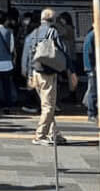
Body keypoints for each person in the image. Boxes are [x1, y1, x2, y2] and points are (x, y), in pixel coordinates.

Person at [24, 8, 76, 145]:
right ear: (53, 20)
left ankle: (55, 134)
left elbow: (29, 56)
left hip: (36, 73)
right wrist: (71, 70)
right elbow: (62, 51)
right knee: (48, 107)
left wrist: (29, 75)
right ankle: (40, 136)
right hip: (48, 74)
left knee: (47, 105)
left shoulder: (33, 34)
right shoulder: (52, 32)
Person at [81, 26, 100, 122]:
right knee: (93, 92)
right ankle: (91, 113)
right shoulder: (91, 36)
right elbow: (88, 52)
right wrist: (90, 68)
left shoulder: (98, 37)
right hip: (95, 69)